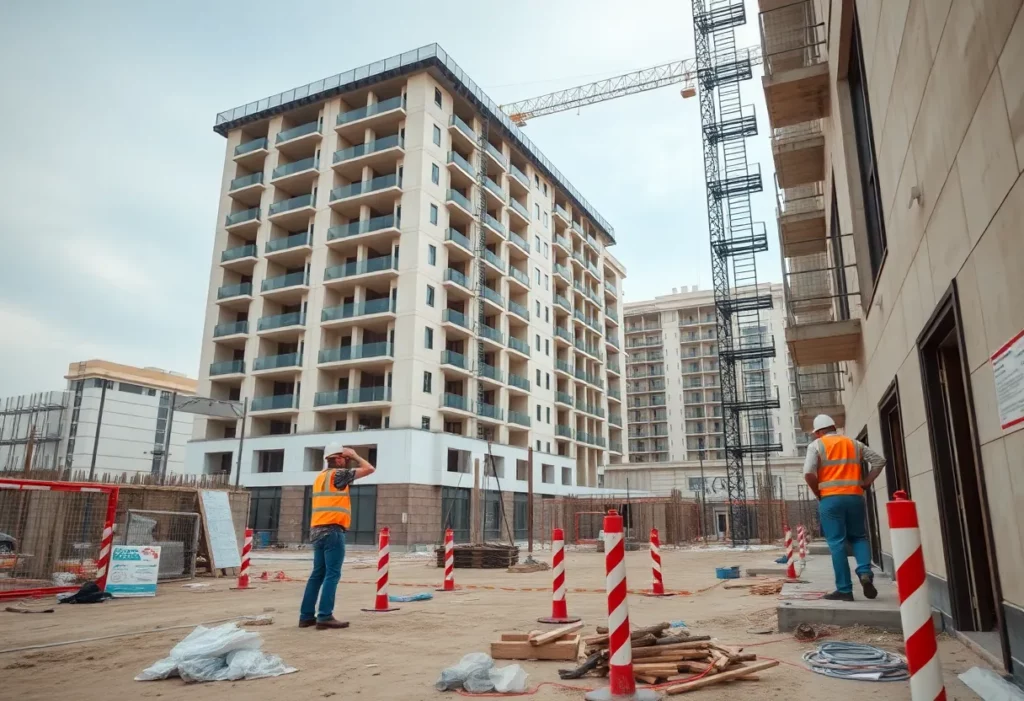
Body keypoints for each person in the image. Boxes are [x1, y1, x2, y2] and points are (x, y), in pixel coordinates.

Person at [803, 414, 886, 602]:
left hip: (830, 500)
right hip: (855, 497)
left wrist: (818, 492)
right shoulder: (854, 444)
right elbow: (879, 461)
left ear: (818, 432)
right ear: (834, 427)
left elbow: (808, 473)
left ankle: (845, 590)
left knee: (837, 543)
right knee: (859, 537)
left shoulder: (816, 445)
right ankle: (865, 572)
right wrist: (866, 482)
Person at [299, 442, 376, 629]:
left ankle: (306, 616)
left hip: (317, 530)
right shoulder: (338, 475)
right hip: (333, 530)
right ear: (339, 459)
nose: (347, 462)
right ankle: (325, 616)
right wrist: (355, 455)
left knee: (317, 574)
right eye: (345, 459)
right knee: (332, 574)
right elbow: (369, 469)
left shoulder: (320, 477)